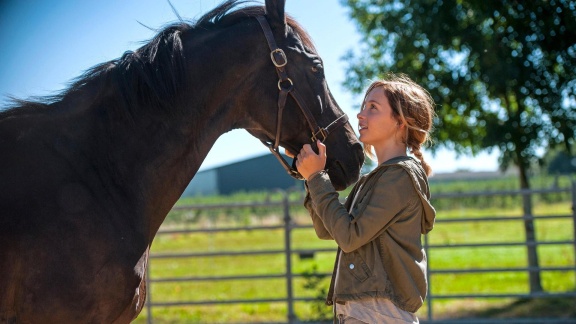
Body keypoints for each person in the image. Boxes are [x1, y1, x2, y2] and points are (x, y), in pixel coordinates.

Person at [292, 73, 436, 323]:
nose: (361, 115)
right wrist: (310, 177)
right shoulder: (377, 178)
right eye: (363, 107)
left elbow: (349, 237)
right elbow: (329, 230)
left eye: (373, 108)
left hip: (378, 313)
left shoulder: (399, 177)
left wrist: (317, 177)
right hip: (363, 311)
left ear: (400, 122)